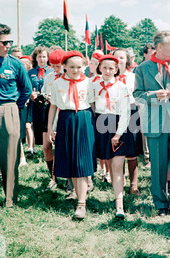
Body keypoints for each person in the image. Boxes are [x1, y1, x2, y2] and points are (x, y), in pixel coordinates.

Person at [133, 30, 170, 216]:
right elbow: (137, 94)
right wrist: (153, 95)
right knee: (158, 166)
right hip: (155, 123)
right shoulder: (142, 68)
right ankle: (161, 205)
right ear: (159, 47)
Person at [48, 50, 96, 219]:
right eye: (71, 67)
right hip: (66, 120)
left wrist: (94, 126)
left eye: (79, 67)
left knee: (82, 160)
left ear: (83, 66)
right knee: (71, 160)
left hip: (84, 119)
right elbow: (53, 106)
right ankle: (77, 193)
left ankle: (81, 204)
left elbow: (92, 105)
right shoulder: (58, 83)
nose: (75, 70)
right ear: (64, 67)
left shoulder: (89, 83)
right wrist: (50, 128)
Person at [91, 54, 131, 218]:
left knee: (117, 166)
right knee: (104, 162)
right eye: (104, 67)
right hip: (100, 124)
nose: (107, 71)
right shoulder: (93, 85)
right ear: (99, 68)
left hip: (117, 126)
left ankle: (119, 205)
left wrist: (118, 134)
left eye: (111, 68)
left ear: (116, 70)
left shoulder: (121, 87)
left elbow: (125, 113)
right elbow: (90, 104)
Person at [0, 24, 32, 207]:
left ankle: (10, 199)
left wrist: (14, 107)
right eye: (4, 42)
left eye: (10, 42)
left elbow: (26, 89)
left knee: (10, 156)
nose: (8, 46)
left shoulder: (15, 63)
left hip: (8, 109)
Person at [114, 48, 143, 195]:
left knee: (132, 152)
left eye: (122, 58)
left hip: (131, 112)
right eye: (116, 57)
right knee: (117, 149)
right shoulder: (108, 78)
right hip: (114, 113)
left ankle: (133, 184)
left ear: (127, 60)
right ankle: (120, 181)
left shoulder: (133, 77)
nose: (119, 60)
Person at [41, 49, 65, 190]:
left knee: (62, 147)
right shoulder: (49, 77)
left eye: (59, 65)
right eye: (54, 66)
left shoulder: (68, 77)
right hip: (49, 112)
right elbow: (45, 91)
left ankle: (67, 177)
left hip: (62, 113)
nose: (57, 69)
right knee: (46, 146)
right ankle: (53, 176)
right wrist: (44, 97)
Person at [28, 46, 53, 151]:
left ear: (48, 58)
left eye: (44, 56)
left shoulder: (52, 71)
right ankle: (37, 147)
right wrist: (31, 93)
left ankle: (49, 147)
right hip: (35, 104)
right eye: (39, 57)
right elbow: (27, 86)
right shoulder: (31, 72)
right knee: (36, 125)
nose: (42, 59)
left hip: (49, 104)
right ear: (36, 58)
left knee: (47, 126)